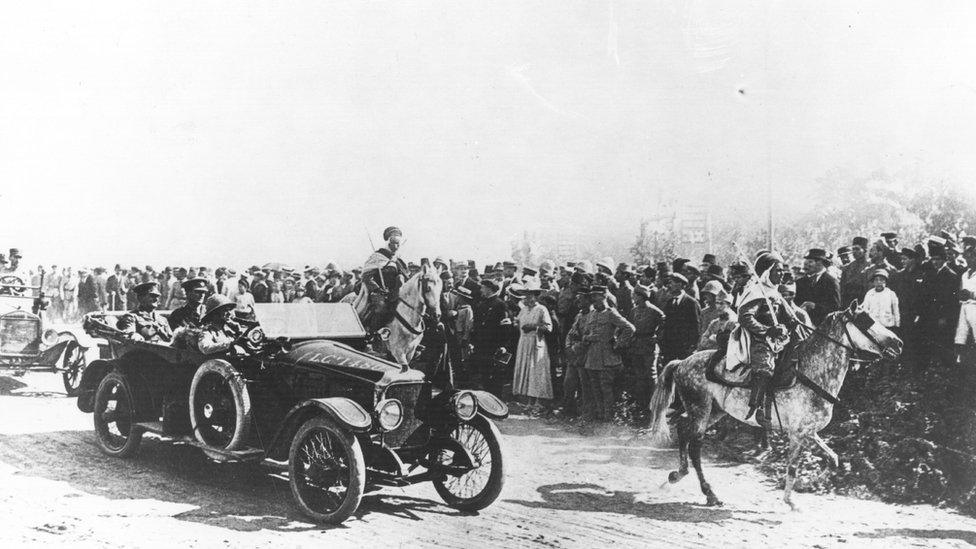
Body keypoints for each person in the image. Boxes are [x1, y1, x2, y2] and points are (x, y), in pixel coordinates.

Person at [727, 251, 794, 426]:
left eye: (782, 271)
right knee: (764, 366)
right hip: (758, 338)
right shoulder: (757, 291)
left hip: (779, 338)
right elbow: (745, 317)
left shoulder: (775, 292)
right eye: (777, 270)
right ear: (766, 272)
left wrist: (794, 323)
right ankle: (755, 408)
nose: (781, 274)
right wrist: (767, 331)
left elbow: (789, 317)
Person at [580, 285, 635, 425]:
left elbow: (629, 328)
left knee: (606, 389)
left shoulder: (611, 313)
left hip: (607, 358)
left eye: (596, 296)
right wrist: (587, 338)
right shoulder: (592, 314)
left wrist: (619, 344)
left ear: (604, 296)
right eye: (592, 297)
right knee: (595, 388)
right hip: (592, 357)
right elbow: (585, 332)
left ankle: (608, 418)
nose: (593, 299)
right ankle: (599, 415)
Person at [512, 280, 554, 414]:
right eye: (526, 295)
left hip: (536, 343)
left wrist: (534, 327)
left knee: (535, 371)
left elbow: (549, 327)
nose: (528, 298)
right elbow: (518, 321)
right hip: (524, 343)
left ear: (536, 296)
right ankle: (529, 402)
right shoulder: (524, 309)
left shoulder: (541, 309)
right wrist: (514, 323)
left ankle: (538, 403)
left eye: (530, 295)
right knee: (526, 371)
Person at [357, 226, 409, 331]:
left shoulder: (399, 260)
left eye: (398, 243)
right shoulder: (377, 256)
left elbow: (406, 276)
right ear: (388, 243)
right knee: (381, 308)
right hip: (379, 292)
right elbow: (366, 276)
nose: (397, 246)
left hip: (396, 293)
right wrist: (377, 289)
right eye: (394, 243)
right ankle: (373, 333)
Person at [626, 283, 664, 418]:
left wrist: (657, 339)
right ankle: (641, 404)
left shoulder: (654, 311)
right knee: (639, 375)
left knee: (651, 375)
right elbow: (630, 325)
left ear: (641, 297)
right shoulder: (634, 311)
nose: (633, 298)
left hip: (649, 346)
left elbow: (664, 325)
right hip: (637, 345)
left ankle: (654, 406)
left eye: (635, 296)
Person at [470, 279, 509, 395]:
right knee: (484, 374)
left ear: (489, 289)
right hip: (482, 345)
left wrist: (503, 345)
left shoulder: (500, 304)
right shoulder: (482, 304)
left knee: (495, 375)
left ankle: (496, 400)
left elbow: (506, 327)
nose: (481, 290)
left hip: (494, 346)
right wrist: (472, 341)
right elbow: (476, 326)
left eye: (483, 287)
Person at [659, 273, 701, 369]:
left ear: (680, 285)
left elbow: (696, 327)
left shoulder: (691, 303)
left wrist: (692, 346)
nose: (669, 285)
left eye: (672, 282)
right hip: (670, 348)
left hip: (684, 348)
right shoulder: (669, 303)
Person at [795, 248, 841, 326]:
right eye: (805, 262)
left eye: (810, 262)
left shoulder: (831, 282)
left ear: (820, 263)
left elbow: (835, 307)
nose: (806, 265)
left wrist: (815, 306)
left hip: (822, 327)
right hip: (801, 325)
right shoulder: (800, 282)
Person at [956, 237, 976, 364]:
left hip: (975, 307)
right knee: (961, 335)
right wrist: (961, 296)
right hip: (964, 307)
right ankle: (961, 362)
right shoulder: (965, 274)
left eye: (972, 257)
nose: (969, 260)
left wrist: (971, 294)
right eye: (967, 257)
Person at [841, 237, 869, 305]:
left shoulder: (870, 267)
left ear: (864, 250)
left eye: (857, 249)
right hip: (848, 303)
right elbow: (842, 288)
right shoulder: (847, 268)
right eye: (853, 249)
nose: (854, 252)